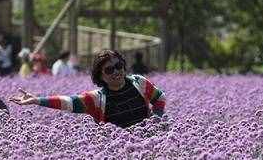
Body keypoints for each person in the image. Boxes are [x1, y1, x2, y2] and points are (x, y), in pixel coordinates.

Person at [10, 49, 165, 128]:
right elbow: (69, 102)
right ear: (100, 76)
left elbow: (159, 98)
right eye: (109, 70)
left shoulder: (139, 83)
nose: (116, 72)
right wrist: (38, 100)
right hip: (116, 156)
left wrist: (156, 120)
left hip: (147, 144)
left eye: (119, 66)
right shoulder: (97, 99)